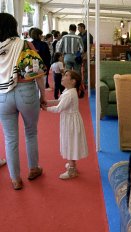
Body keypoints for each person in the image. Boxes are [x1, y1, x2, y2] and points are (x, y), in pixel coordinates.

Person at [0, 13, 44, 190]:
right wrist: (43, 95)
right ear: (14, 26)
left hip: (2, 94)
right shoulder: (24, 43)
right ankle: (33, 169)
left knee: (10, 138)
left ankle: (15, 179)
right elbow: (37, 71)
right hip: (25, 91)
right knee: (31, 132)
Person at [43, 70, 88, 179]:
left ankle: (72, 170)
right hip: (70, 121)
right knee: (70, 142)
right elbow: (59, 101)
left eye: (66, 75)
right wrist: (46, 102)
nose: (63, 76)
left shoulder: (70, 94)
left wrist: (45, 109)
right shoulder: (68, 91)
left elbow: (59, 108)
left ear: (73, 81)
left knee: (70, 143)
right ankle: (72, 165)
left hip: (70, 122)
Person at [77, 23, 93, 87]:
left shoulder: (89, 35)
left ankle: (86, 82)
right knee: (78, 68)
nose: (78, 29)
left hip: (86, 53)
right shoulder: (78, 35)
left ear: (82, 27)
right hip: (79, 54)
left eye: (78, 28)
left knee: (85, 69)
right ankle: (80, 82)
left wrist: (86, 54)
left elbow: (90, 46)